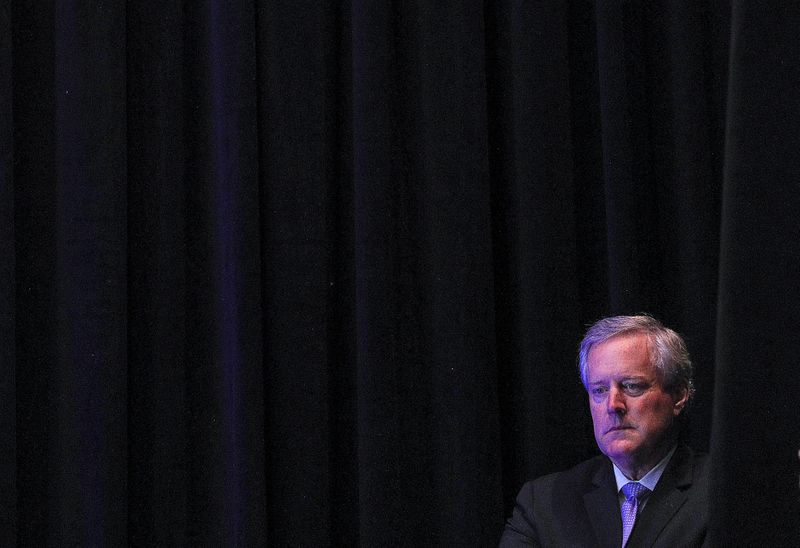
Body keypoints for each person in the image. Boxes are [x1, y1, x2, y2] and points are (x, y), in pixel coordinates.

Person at [499, 315, 708, 547]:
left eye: (631, 386)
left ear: (678, 395)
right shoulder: (543, 503)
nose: (613, 405)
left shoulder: (719, 492)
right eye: (599, 390)